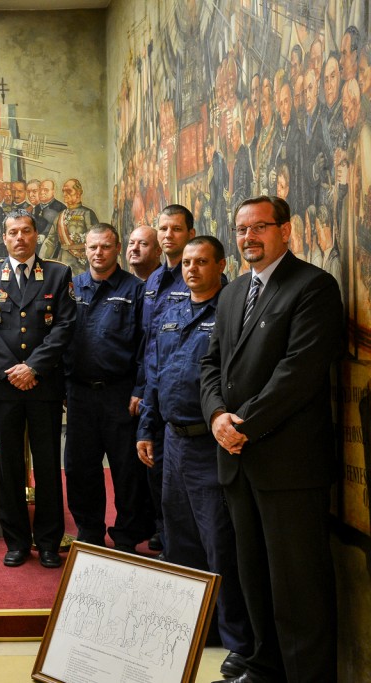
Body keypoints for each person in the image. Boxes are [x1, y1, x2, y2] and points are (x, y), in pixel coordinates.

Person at [200, 196, 343, 683]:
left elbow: (298, 373)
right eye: (242, 229)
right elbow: (211, 364)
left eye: (259, 227)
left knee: (298, 586)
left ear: (286, 230)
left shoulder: (313, 287)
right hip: (239, 462)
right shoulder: (234, 292)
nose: (248, 237)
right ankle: (265, 667)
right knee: (255, 576)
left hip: (289, 465)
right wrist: (216, 415)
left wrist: (241, 427)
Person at [137, 235, 253, 681]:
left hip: (210, 445)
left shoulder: (231, 312)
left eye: (202, 262)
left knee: (220, 543)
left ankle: (238, 644)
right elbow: (155, 374)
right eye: (187, 262)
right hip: (172, 441)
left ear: (221, 265)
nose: (191, 269)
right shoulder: (171, 311)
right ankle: (188, 627)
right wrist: (147, 429)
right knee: (179, 541)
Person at [0, 209, 75, 569]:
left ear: (36, 235)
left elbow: (65, 325)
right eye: (13, 232)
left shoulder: (58, 274)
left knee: (47, 465)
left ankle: (48, 542)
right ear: (4, 238)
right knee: (10, 464)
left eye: (26, 231)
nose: (19, 238)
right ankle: (15, 541)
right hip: (5, 386)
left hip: (44, 384)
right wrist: (11, 370)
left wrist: (33, 367)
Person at [64, 224, 152, 553]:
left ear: (117, 249)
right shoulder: (71, 288)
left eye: (105, 246)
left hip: (121, 393)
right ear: (84, 250)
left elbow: (146, 344)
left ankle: (127, 537)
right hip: (79, 393)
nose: (98, 253)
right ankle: (89, 533)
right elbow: (58, 338)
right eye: (92, 247)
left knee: (127, 469)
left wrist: (140, 388)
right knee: (80, 468)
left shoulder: (135, 290)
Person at [133, 204, 196, 555]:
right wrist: (140, 388)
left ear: (190, 233)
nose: (169, 235)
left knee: (183, 482)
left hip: (184, 393)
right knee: (155, 470)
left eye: (176, 228)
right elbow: (147, 342)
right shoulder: (155, 279)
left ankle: (182, 549)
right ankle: (162, 535)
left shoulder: (198, 274)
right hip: (153, 389)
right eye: (163, 229)